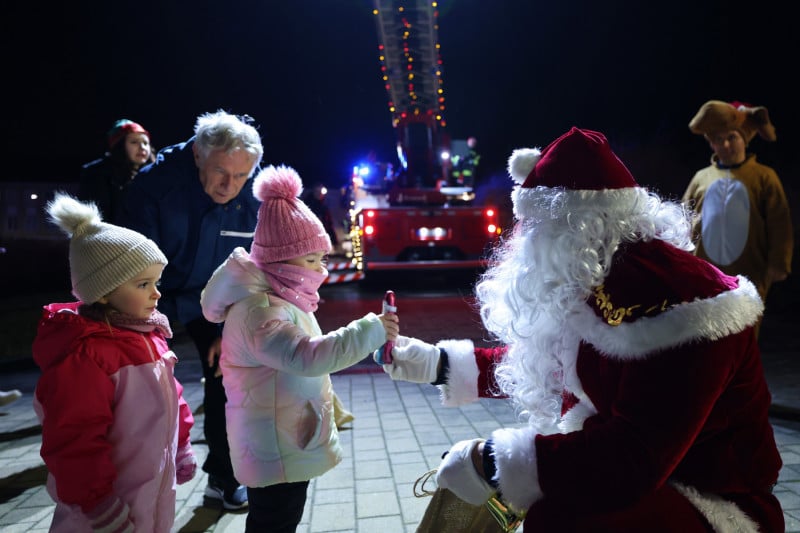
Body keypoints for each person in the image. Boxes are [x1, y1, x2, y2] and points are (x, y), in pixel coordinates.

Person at [378, 127, 784, 532]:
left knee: (558, 517)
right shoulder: (601, 274)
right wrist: (435, 364)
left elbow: (633, 459)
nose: (523, 243)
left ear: (575, 229)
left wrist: (493, 461)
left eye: (534, 229)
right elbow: (553, 362)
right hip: (657, 473)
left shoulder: (678, 307)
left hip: (715, 499)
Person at [200, 164, 399, 533]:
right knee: (275, 522)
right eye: (311, 260)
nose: (320, 270)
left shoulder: (277, 298)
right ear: (278, 259)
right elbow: (306, 356)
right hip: (274, 451)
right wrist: (370, 330)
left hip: (281, 439)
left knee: (276, 519)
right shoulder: (261, 310)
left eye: (321, 260)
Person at [119, 109, 262, 510]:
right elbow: (130, 266)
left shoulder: (254, 196)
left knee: (229, 368)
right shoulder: (152, 189)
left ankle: (223, 477)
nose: (228, 186)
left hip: (215, 297)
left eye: (240, 176)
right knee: (136, 381)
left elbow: (258, 266)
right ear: (198, 154)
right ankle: (133, 477)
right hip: (151, 290)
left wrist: (231, 325)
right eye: (221, 172)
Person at [34, 193, 196, 532]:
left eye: (156, 282)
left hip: (148, 500)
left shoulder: (147, 336)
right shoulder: (87, 356)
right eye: (143, 284)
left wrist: (181, 445)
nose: (156, 293)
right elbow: (74, 438)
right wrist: (98, 504)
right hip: (101, 514)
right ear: (104, 291)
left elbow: (172, 396)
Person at [683, 100, 793, 338]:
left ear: (744, 138)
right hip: (705, 269)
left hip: (749, 268)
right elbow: (684, 216)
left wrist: (779, 261)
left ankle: (742, 372)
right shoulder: (701, 177)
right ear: (711, 143)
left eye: (731, 137)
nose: (725, 144)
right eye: (718, 139)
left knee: (744, 327)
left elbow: (779, 220)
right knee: (707, 330)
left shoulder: (763, 176)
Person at [79, 119, 155, 223]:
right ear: (119, 145)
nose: (142, 147)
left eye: (146, 143)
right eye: (134, 142)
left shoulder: (154, 175)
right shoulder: (96, 174)